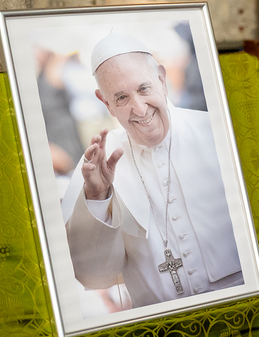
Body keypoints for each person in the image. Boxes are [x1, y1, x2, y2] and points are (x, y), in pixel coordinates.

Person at [61, 31, 243, 308]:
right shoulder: (97, 164)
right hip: (161, 327)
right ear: (106, 103)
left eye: (144, 89)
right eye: (121, 97)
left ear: (161, 79)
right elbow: (95, 276)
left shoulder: (219, 134)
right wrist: (97, 198)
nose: (139, 108)